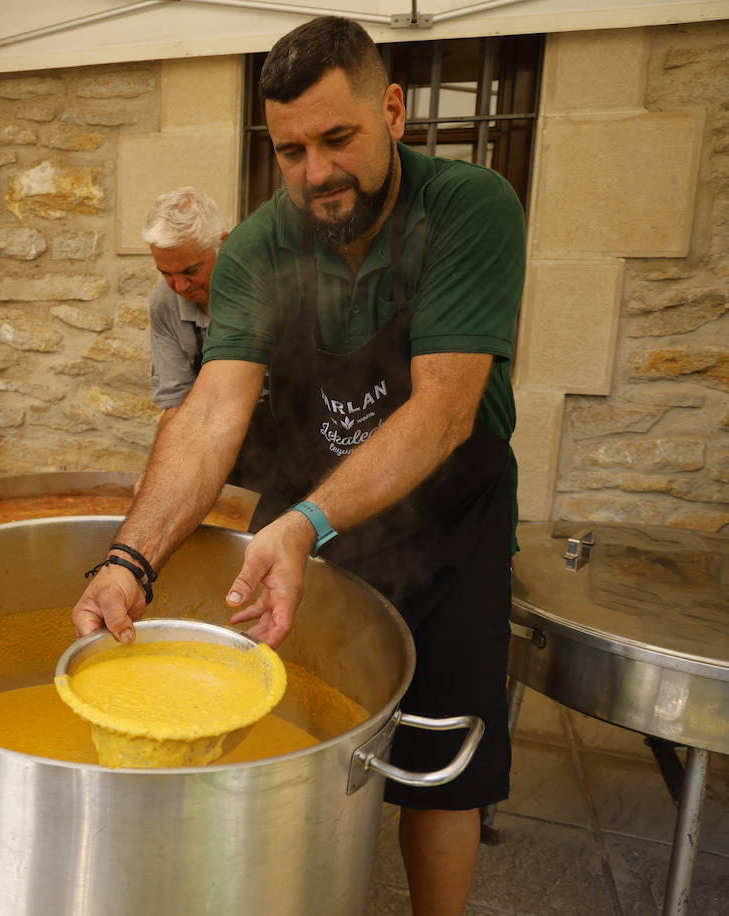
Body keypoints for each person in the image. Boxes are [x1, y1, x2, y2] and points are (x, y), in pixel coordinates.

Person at [72, 16, 524, 916]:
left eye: (338, 138)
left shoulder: (470, 207)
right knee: (289, 728)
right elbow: (208, 415)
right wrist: (131, 559)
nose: (316, 172)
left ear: (393, 110)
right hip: (305, 515)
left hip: (451, 519)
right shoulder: (257, 249)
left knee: (440, 774)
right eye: (289, 151)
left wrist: (301, 524)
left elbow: (443, 414)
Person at [141, 189, 271, 498]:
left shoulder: (266, 290)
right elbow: (176, 402)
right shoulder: (164, 302)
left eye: (191, 270)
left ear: (223, 244)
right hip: (210, 436)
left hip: (284, 441)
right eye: (166, 273)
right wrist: (158, 475)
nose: (180, 286)